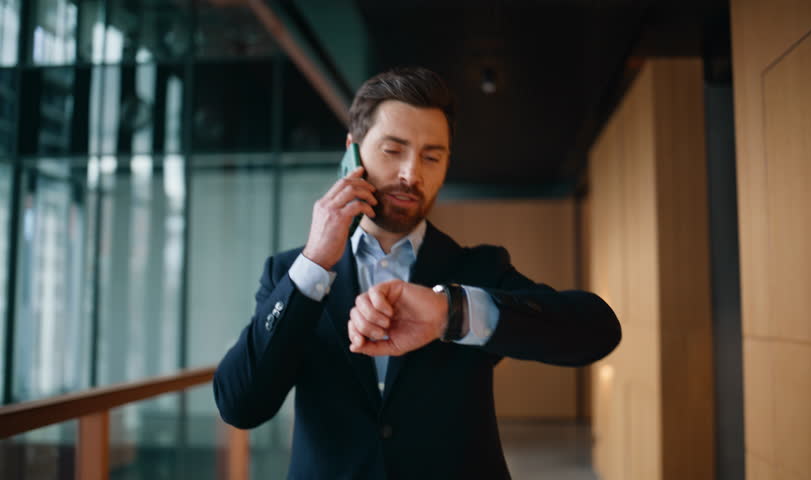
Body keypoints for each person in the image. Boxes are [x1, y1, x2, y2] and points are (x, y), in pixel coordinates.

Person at [213, 66, 621, 479]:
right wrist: (316, 261)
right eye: (393, 151)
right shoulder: (290, 272)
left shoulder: (479, 268)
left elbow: (597, 331)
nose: (412, 174)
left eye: (432, 156)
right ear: (352, 152)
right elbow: (240, 404)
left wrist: (451, 312)